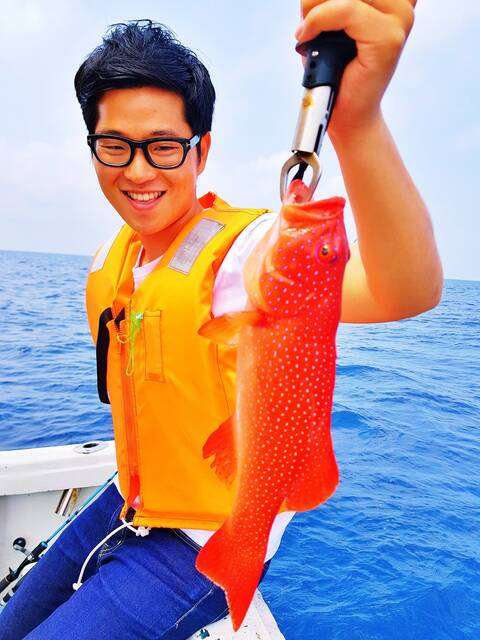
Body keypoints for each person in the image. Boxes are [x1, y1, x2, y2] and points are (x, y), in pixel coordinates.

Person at [0, 2, 443, 638]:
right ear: (93, 148)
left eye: (163, 146)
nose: (138, 170)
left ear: (200, 150)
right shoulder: (114, 258)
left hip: (205, 538)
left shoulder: (245, 255)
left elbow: (406, 290)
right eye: (115, 146)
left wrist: (357, 121)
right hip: (130, 501)